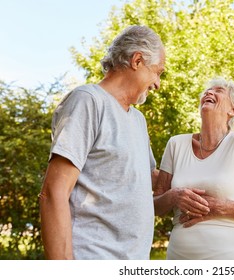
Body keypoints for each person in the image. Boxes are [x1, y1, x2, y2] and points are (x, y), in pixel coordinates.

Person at [39, 25, 165, 260]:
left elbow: (148, 179)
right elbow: (53, 191)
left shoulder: (138, 120)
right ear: (137, 60)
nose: (157, 83)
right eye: (157, 72)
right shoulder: (88, 101)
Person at [153, 77, 234, 260]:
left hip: (229, 257)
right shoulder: (176, 144)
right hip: (179, 256)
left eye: (218, 90)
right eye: (207, 91)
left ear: (233, 110)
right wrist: (174, 196)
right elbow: (156, 205)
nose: (209, 93)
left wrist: (217, 207)